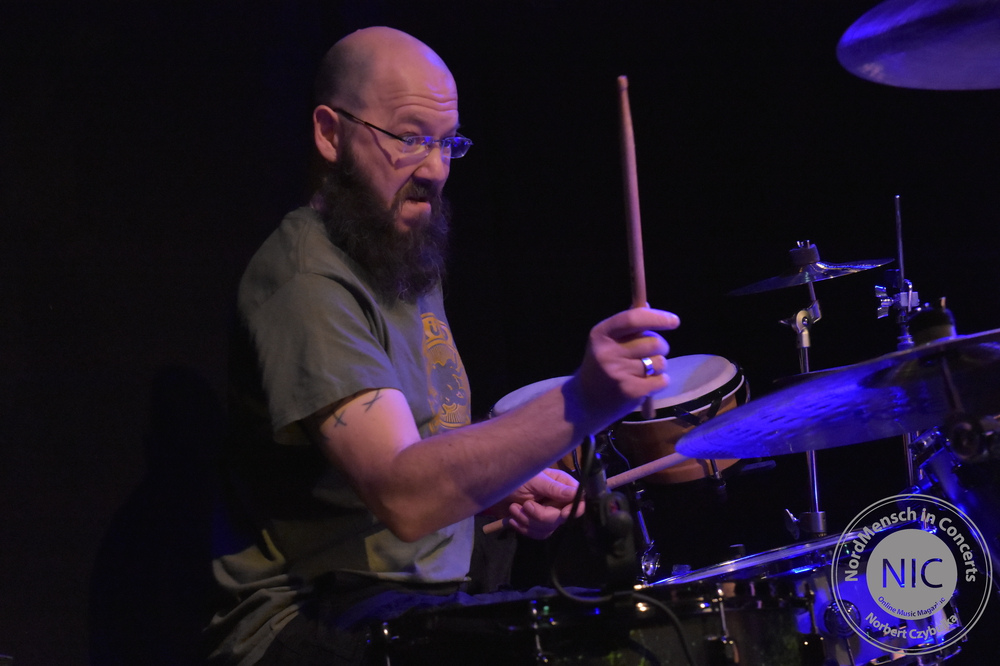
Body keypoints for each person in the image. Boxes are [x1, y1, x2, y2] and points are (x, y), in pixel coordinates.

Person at [206, 26, 680, 665]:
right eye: (409, 139)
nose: (434, 168)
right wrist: (583, 400)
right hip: (313, 619)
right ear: (329, 132)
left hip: (415, 601)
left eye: (447, 142)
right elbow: (403, 496)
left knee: (643, 628)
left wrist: (505, 486)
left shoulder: (397, 249)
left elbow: (411, 458)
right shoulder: (306, 281)